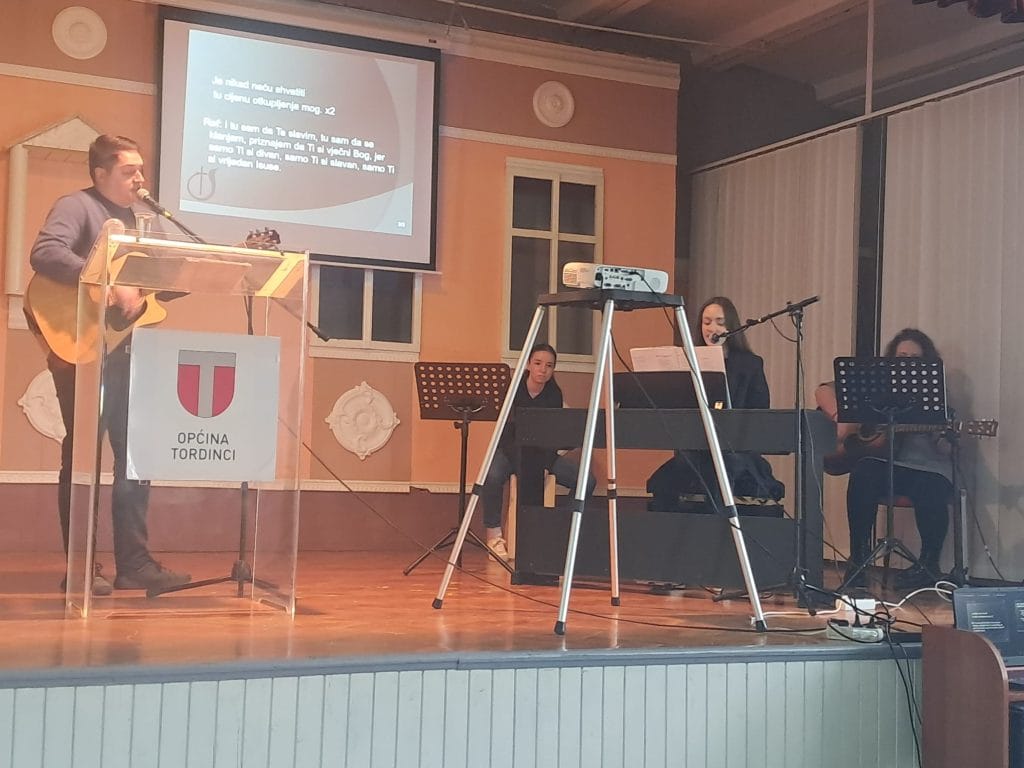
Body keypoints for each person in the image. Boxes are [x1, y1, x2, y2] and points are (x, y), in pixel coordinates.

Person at [29, 134, 189, 594]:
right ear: (100, 174)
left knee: (136, 456)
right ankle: (80, 567)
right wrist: (108, 281)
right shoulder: (77, 206)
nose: (140, 178)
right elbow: (45, 253)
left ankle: (134, 565)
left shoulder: (143, 221)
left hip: (129, 351)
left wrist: (199, 272)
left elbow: (156, 286)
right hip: (82, 347)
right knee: (83, 455)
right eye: (128, 171)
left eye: (141, 170)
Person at [843, 328, 954, 590]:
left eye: (915, 359)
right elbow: (827, 391)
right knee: (863, 471)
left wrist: (943, 437)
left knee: (932, 486)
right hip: (888, 464)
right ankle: (858, 558)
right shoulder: (875, 391)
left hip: (926, 467)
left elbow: (945, 450)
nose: (907, 364)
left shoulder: (936, 395)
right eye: (902, 357)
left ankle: (928, 565)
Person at [647, 296, 782, 508]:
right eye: (706, 322)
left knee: (723, 469)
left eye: (720, 322)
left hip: (735, 449)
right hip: (696, 448)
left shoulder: (750, 364)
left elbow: (760, 412)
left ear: (731, 327)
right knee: (665, 480)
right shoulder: (688, 361)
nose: (712, 328)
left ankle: (722, 522)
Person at [478, 343, 597, 560]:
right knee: (491, 475)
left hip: (542, 455)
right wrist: (524, 464)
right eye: (538, 363)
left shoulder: (554, 394)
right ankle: (494, 535)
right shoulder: (513, 389)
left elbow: (551, 436)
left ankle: (562, 528)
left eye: (549, 365)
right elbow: (506, 434)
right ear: (528, 365)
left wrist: (540, 464)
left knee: (586, 481)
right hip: (510, 451)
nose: (543, 370)